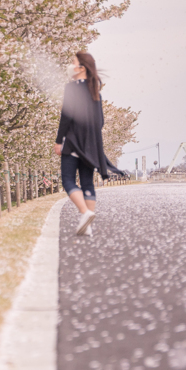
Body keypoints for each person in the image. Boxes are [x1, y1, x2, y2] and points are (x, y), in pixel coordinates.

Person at [54, 51, 125, 236]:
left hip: (73, 142)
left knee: (68, 180)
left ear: (81, 68)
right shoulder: (95, 91)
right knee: (87, 182)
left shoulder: (72, 88)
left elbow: (66, 117)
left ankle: (85, 213)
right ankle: (88, 225)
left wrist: (58, 141)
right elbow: (100, 121)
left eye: (73, 63)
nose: (70, 66)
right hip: (92, 145)